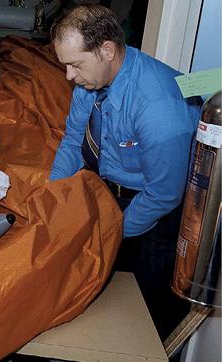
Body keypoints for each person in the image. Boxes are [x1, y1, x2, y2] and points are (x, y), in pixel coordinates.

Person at [48, 4, 201, 340]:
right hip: (113, 194)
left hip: (159, 213)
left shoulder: (158, 107)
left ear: (107, 50)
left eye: (75, 65)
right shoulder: (90, 83)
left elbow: (163, 194)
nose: (69, 77)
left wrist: (111, 233)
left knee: (143, 311)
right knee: (102, 291)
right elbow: (74, 141)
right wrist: (51, 198)